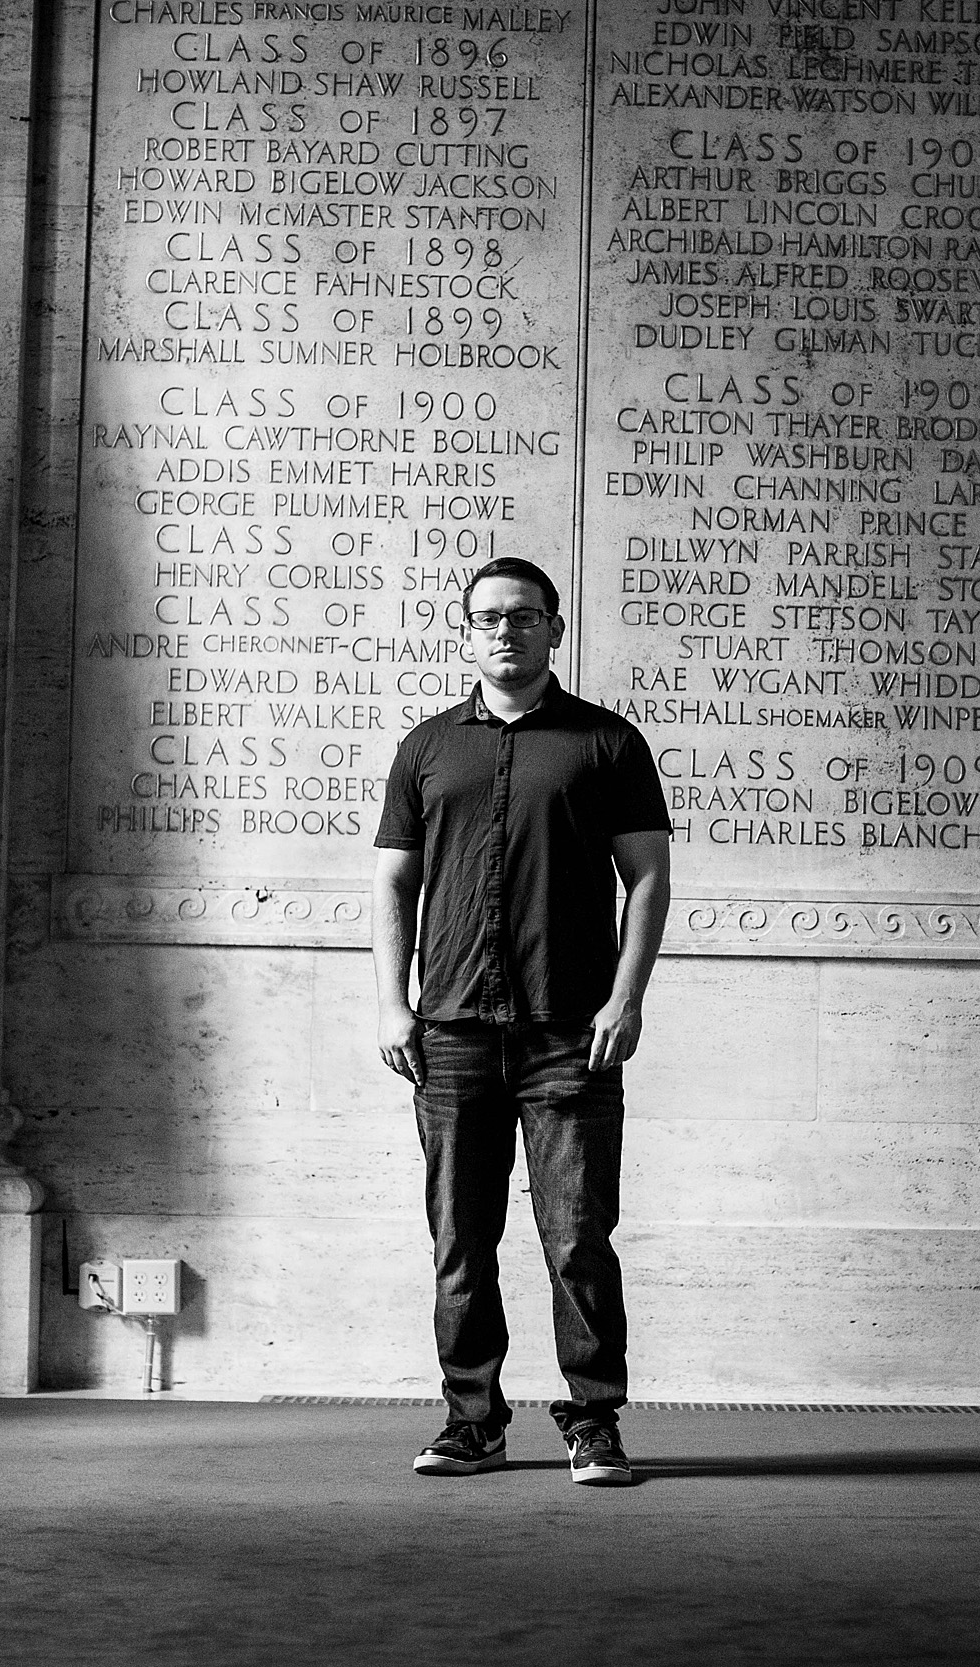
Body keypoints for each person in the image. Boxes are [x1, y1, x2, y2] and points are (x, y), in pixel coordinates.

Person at [372, 556, 673, 1487]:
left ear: (555, 628)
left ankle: (593, 1420)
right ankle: (474, 1418)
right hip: (454, 1028)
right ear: (467, 631)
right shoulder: (427, 748)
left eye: (525, 616)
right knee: (462, 1235)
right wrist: (392, 1000)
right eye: (489, 618)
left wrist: (626, 997)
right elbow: (393, 880)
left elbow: (650, 877)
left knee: (577, 1235)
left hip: (568, 1031)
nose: (506, 631)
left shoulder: (607, 743)